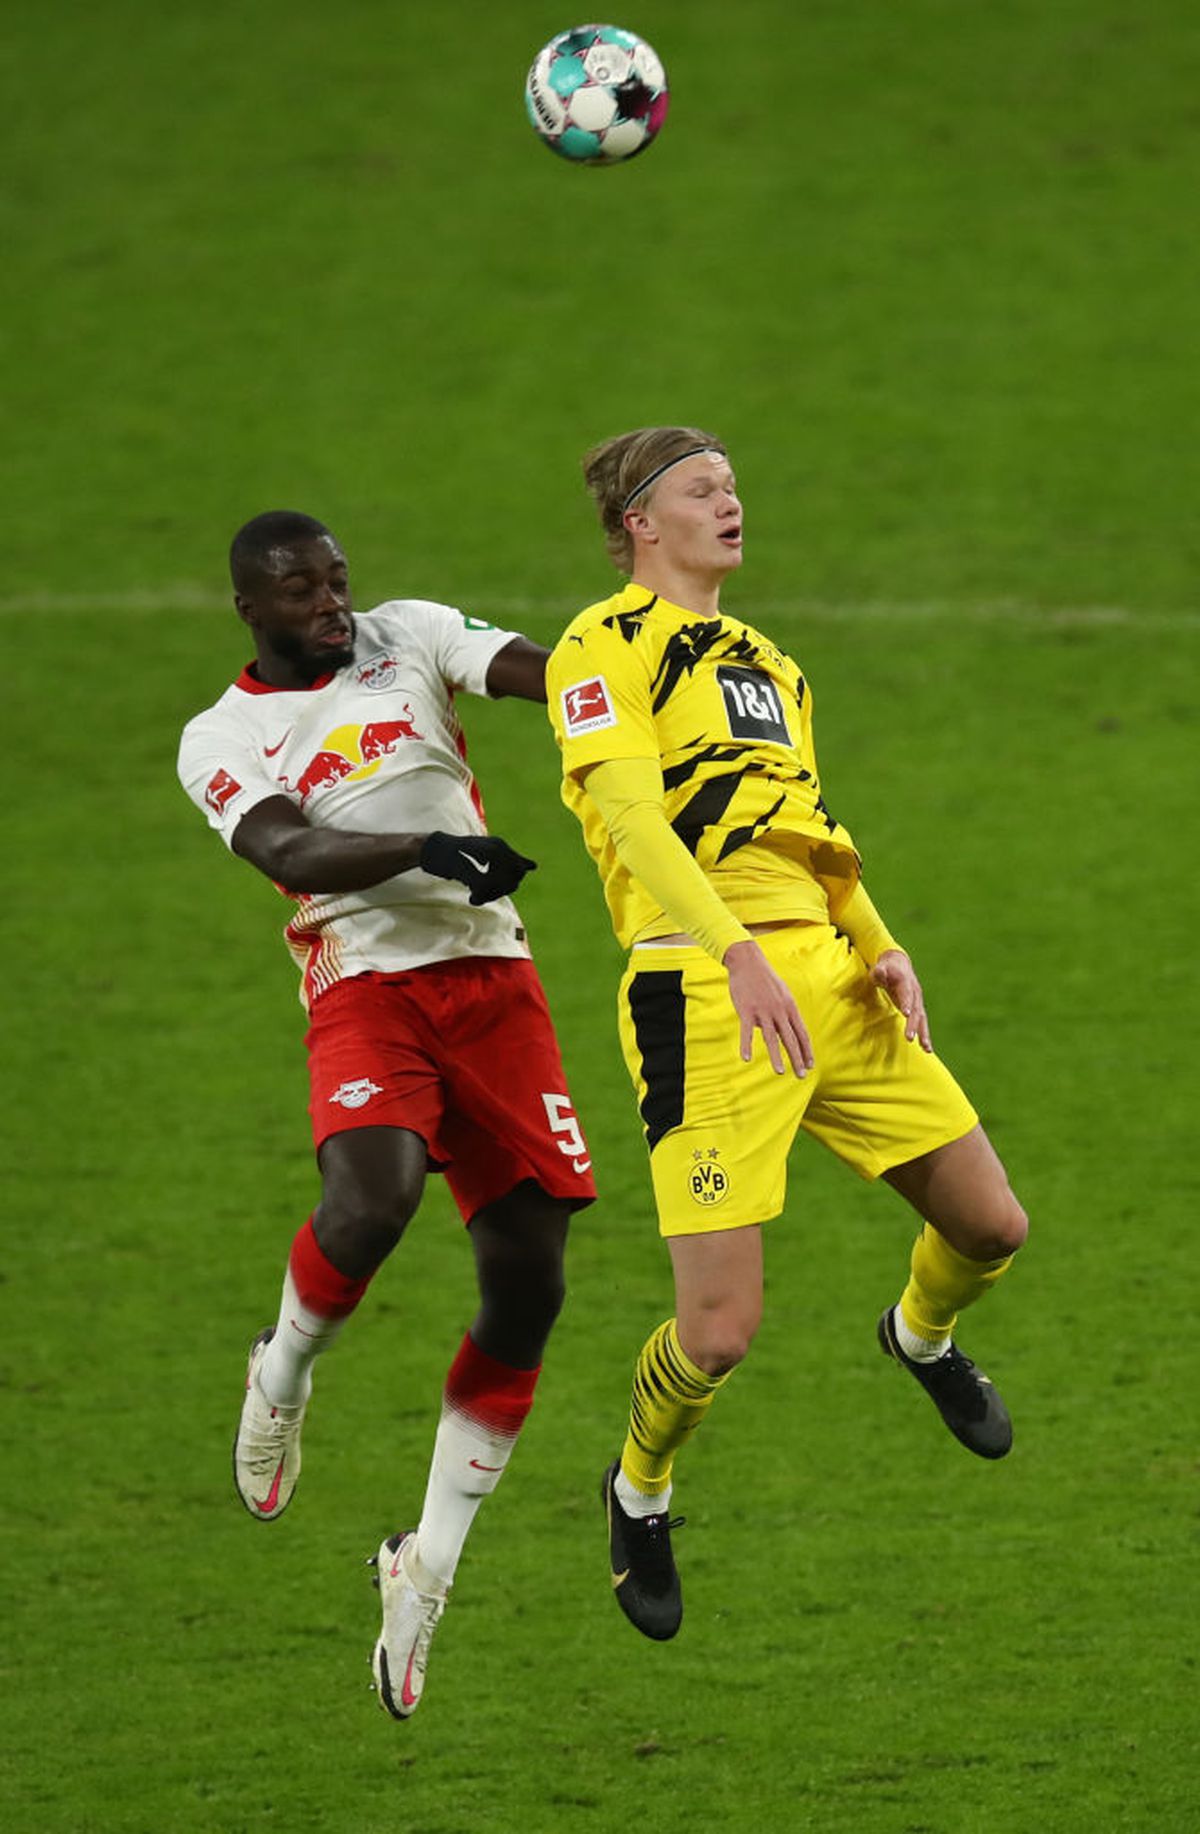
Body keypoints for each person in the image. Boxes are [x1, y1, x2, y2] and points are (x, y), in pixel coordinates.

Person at [545, 428, 1028, 1642]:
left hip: (821, 970)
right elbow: (634, 821)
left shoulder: (772, 664)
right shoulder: (600, 648)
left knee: (989, 1223)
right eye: (703, 488)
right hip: (701, 987)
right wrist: (735, 950)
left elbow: (800, 819)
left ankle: (920, 1335)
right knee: (718, 1333)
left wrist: (876, 935)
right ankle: (639, 1486)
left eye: (735, 484)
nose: (732, 501)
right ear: (641, 523)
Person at [177, 510, 594, 1716]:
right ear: (250, 607)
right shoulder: (226, 731)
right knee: (374, 1200)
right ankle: (285, 1370)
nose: (332, 604)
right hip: (366, 984)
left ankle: (426, 1568)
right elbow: (291, 850)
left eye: (337, 580)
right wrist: (427, 846)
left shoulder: (404, 635)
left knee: (532, 1283)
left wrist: (620, 672)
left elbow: (537, 671)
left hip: (494, 981)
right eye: (302, 591)